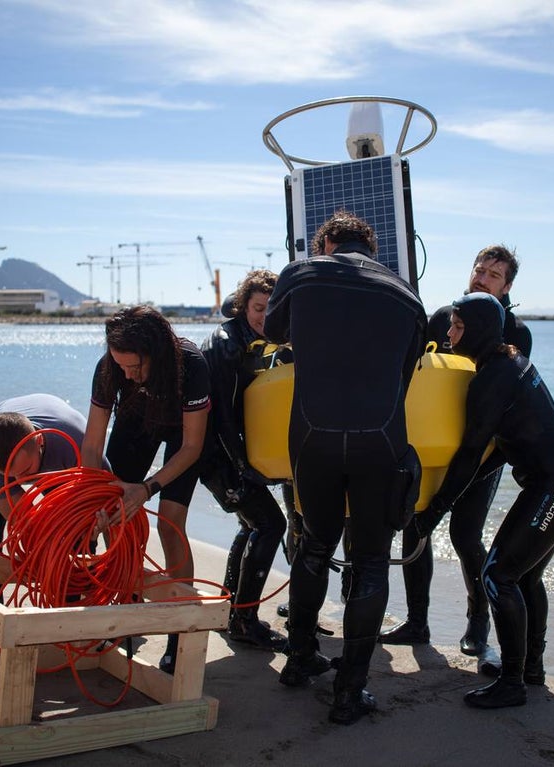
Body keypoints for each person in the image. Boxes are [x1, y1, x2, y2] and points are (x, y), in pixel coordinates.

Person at [265, 210, 426, 725]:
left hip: (312, 434)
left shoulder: (302, 271)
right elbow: (407, 376)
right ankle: (349, 692)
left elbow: (272, 333)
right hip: (381, 437)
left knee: (314, 543)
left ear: (328, 241)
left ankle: (299, 658)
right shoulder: (407, 295)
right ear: (372, 248)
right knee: (372, 559)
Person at [414, 293, 554, 708]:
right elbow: (497, 454)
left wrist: (433, 511)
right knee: (524, 576)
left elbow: (472, 454)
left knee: (497, 575)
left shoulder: (492, 378)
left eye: (457, 326)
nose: (450, 333)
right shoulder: (506, 363)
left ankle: (513, 682)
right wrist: (440, 507)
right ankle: (530, 670)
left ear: (478, 330)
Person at [382, 245, 532, 657]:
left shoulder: (516, 332)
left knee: (465, 534)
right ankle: (416, 622)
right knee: (415, 527)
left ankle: (477, 622)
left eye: (493, 275)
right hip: (431, 443)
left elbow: (510, 397)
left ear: (508, 286)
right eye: (479, 270)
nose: (482, 278)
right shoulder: (442, 319)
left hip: (481, 451)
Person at [81, 306, 211, 674]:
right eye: (121, 367)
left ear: (156, 352)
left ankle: (178, 628)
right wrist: (94, 498)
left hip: (185, 434)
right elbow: (91, 447)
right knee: (116, 513)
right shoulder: (111, 369)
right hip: (137, 419)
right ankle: (126, 607)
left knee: (170, 524)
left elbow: (191, 448)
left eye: (135, 368)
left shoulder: (191, 365)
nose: (128, 374)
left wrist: (148, 488)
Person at [200, 269, 289, 652]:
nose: (264, 316)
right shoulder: (226, 343)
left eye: (272, 309)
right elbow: (220, 416)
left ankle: (229, 608)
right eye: (257, 308)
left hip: (227, 451)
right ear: (242, 305)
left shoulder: (257, 339)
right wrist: (242, 467)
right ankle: (244, 619)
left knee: (250, 524)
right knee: (271, 524)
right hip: (215, 453)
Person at [0, 393, 101, 602]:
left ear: (39, 441)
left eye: (25, 470)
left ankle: (71, 617)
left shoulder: (78, 444)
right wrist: (37, 558)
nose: (20, 480)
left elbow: (104, 498)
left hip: (58, 456)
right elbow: (23, 521)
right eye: (11, 475)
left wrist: (94, 526)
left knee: (77, 531)